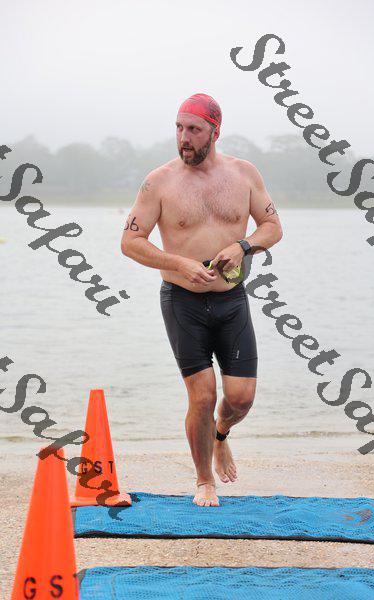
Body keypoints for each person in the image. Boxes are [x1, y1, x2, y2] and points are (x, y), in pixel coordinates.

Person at [121, 93, 283, 507]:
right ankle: (204, 480)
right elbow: (130, 242)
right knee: (203, 395)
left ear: (215, 131)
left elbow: (272, 226)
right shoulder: (159, 182)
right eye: (179, 128)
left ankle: (221, 435)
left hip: (232, 300)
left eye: (193, 129)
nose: (184, 138)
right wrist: (178, 263)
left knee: (241, 398)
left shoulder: (244, 174)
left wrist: (243, 246)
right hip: (182, 301)